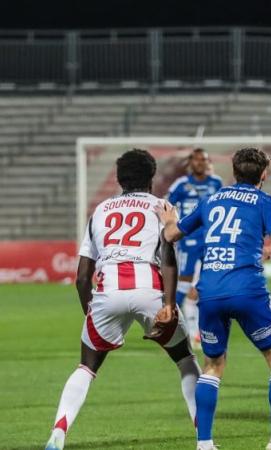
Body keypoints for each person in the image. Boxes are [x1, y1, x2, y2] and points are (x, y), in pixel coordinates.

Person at [158, 147, 271, 450]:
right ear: (263, 174)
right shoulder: (265, 202)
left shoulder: (211, 199)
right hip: (248, 290)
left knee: (212, 366)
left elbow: (171, 235)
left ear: (234, 172)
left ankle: (205, 443)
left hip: (209, 292)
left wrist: (170, 218)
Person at [45, 149, 200, 450]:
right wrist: (168, 304)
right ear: (152, 177)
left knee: (86, 367)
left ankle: (59, 431)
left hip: (108, 289)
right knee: (185, 360)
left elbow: (81, 276)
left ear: (118, 178)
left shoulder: (100, 211)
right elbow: (168, 256)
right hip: (150, 287)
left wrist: (89, 312)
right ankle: (202, 438)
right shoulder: (162, 207)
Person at [167, 148, 223, 347]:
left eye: (205, 160)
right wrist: (172, 229)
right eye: (198, 160)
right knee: (185, 282)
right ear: (191, 162)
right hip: (189, 240)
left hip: (210, 241)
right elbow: (167, 207)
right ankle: (170, 319)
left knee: (206, 285)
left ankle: (196, 328)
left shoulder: (216, 183)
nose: (202, 163)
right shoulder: (181, 184)